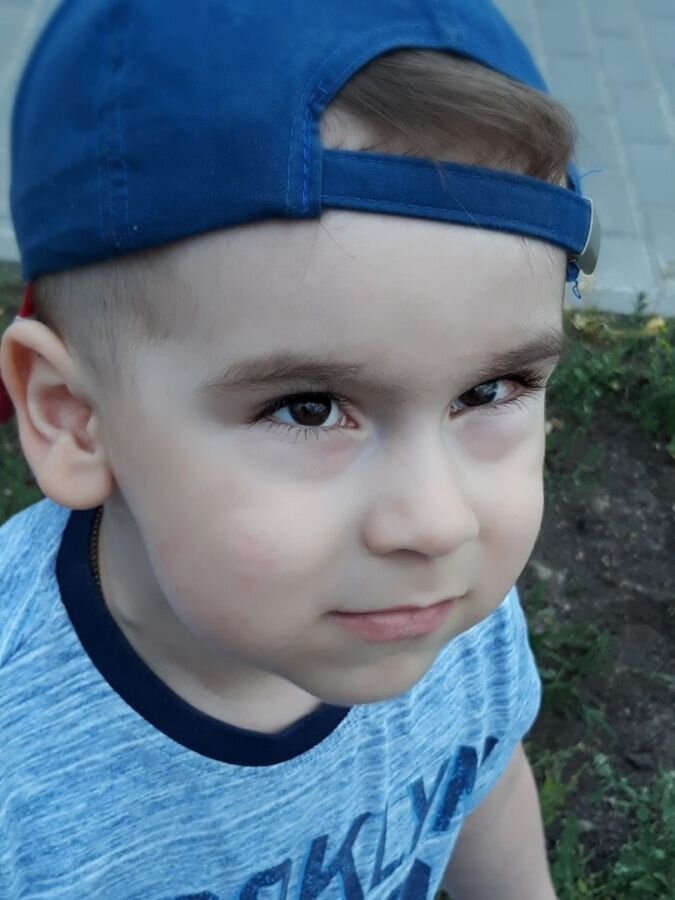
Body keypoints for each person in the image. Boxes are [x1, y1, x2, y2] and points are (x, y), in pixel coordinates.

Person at [0, 1, 600, 897]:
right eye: (310, 408)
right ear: (74, 418)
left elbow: (477, 777)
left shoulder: (443, 617)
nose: (437, 523)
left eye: (488, 392)